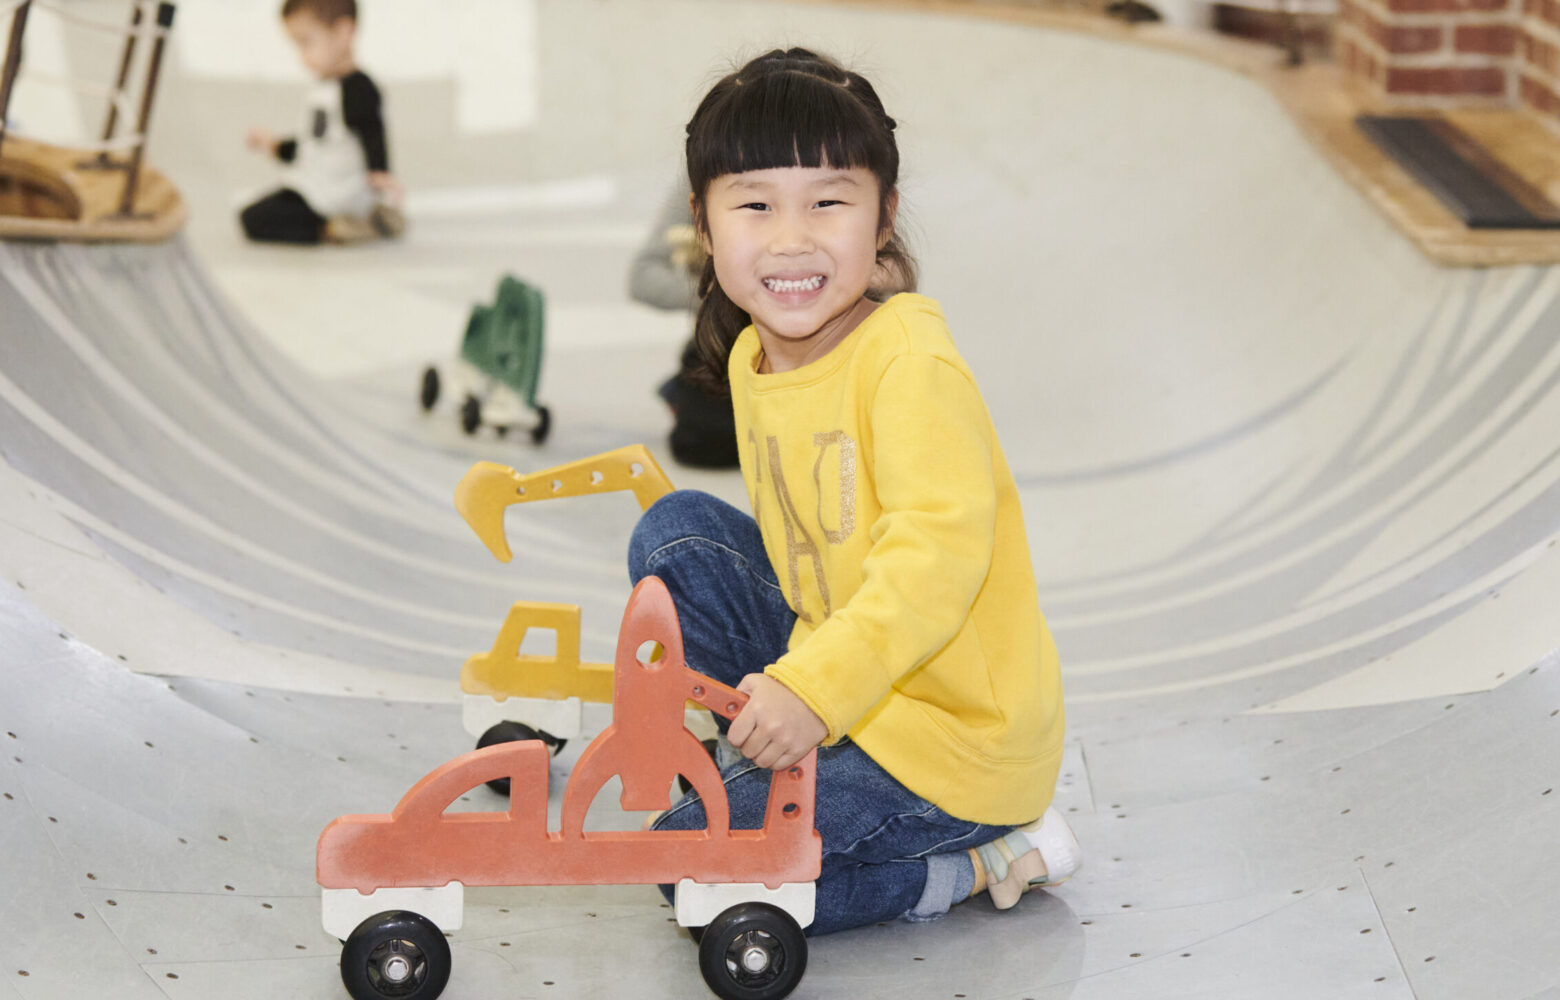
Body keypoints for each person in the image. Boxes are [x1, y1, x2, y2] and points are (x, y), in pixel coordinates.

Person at [629, 47, 1080, 937]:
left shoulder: (909, 366)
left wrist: (813, 694)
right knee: (676, 535)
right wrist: (803, 685)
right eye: (755, 205)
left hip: (952, 744)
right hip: (842, 662)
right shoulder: (756, 355)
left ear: (883, 220)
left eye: (828, 203)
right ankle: (769, 764)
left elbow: (930, 567)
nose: (791, 239)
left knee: (690, 862)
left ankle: (969, 863)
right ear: (704, 224)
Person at [239, 0, 404, 245]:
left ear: (343, 32)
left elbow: (373, 130)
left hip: (337, 193)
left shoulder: (359, 88)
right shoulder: (324, 88)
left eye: (306, 42)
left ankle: (340, 225)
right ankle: (353, 223)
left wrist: (380, 172)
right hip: (316, 186)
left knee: (256, 219)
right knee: (253, 211)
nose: (301, 55)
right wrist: (274, 145)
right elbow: (316, 144)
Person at [628, 180, 742, 469]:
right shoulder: (704, 173)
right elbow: (642, 277)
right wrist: (723, 290)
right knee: (704, 445)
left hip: (812, 347)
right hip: (725, 348)